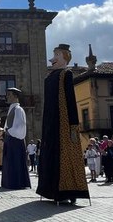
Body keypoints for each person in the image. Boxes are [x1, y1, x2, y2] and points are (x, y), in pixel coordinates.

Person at [37, 45, 88, 203]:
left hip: (63, 123)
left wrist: (74, 125)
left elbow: (71, 101)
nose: (53, 58)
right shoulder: (49, 77)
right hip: (50, 124)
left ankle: (67, 191)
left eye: (57, 54)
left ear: (65, 56)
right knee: (51, 154)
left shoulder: (66, 74)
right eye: (53, 54)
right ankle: (50, 190)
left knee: (64, 154)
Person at [1, 87, 31, 190]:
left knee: (15, 161)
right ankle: (10, 182)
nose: (7, 96)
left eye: (9, 94)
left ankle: (17, 182)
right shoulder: (12, 109)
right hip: (10, 139)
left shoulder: (18, 109)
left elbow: (21, 126)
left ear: (15, 96)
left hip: (16, 140)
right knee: (10, 161)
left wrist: (9, 131)